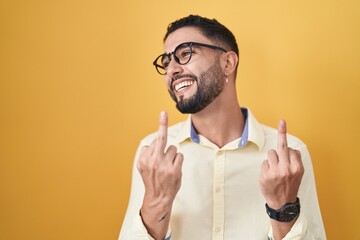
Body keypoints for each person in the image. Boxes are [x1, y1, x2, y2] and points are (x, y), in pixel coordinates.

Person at [119, 15, 326, 240]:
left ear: (227, 63)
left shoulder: (290, 158)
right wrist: (155, 204)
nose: (171, 70)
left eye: (185, 54)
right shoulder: (152, 154)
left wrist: (283, 210)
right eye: (166, 62)